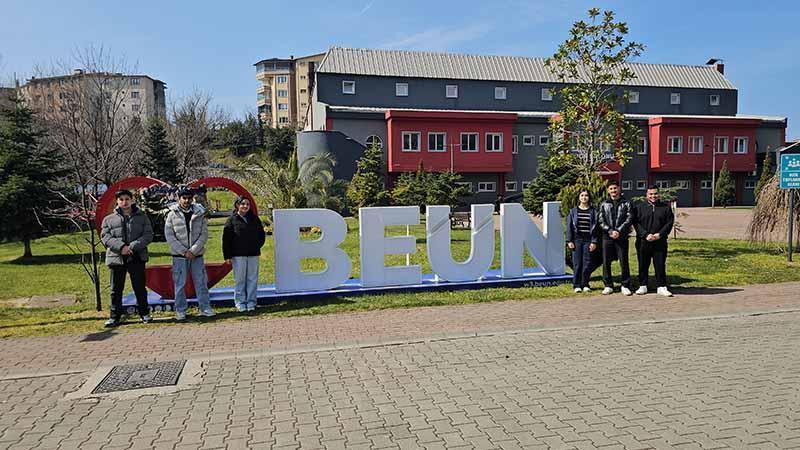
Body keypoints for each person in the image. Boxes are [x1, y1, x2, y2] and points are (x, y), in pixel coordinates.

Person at [100, 189, 153, 327]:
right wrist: (121, 247)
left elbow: (148, 235)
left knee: (139, 287)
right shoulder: (108, 219)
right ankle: (114, 316)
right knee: (116, 289)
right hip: (116, 257)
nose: (124, 202)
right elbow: (105, 237)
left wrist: (132, 247)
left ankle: (145, 314)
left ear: (132, 200)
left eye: (127, 199)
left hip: (136, 256)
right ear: (117, 201)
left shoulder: (142, 217)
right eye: (121, 199)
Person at [164, 187, 215, 320]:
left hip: (196, 255)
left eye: (189, 198)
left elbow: (204, 234)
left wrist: (193, 250)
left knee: (201, 282)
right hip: (179, 256)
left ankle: (205, 308)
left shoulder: (200, 213)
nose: (186, 200)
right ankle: (180, 310)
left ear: (192, 199)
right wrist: (183, 251)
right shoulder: (171, 214)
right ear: (179, 199)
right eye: (184, 198)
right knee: (180, 284)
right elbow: (169, 235)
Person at [222, 196, 266, 312]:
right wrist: (227, 255)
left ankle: (251, 302)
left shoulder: (254, 219)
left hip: (253, 254)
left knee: (252, 279)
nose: (245, 206)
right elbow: (226, 240)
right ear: (237, 205)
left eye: (247, 204)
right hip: (238, 255)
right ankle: (240, 302)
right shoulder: (231, 220)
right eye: (242, 204)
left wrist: (256, 246)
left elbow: (261, 235)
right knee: (240, 279)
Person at [633, 185, 675, 297]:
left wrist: (659, 234)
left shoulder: (665, 207)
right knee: (643, 264)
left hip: (659, 241)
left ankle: (661, 286)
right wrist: (645, 234)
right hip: (643, 241)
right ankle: (643, 285)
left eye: (655, 194)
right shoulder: (639, 207)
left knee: (660, 264)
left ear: (659, 194)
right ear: (646, 195)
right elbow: (636, 223)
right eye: (651, 194)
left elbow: (669, 223)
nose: (653, 196)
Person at [598, 181, 634, 296]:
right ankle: (608, 285)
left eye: (615, 188)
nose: (613, 190)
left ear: (619, 189)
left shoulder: (626, 203)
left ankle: (625, 285)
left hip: (621, 236)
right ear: (608, 191)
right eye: (611, 189)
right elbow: (601, 220)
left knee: (624, 261)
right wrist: (609, 230)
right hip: (607, 237)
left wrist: (619, 230)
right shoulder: (604, 204)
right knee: (606, 261)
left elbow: (629, 218)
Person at [566, 190, 600, 293]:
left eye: (586, 195)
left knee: (587, 262)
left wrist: (594, 242)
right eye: (582, 195)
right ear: (579, 197)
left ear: (589, 197)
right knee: (577, 263)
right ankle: (576, 285)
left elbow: (596, 228)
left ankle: (585, 284)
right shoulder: (573, 211)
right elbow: (569, 227)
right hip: (577, 240)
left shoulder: (594, 212)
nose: (584, 197)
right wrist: (569, 240)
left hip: (588, 240)